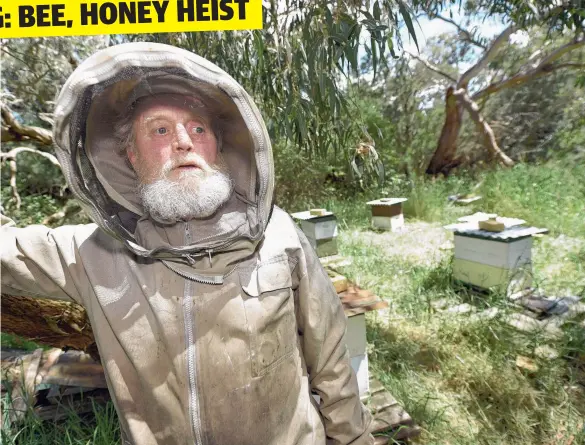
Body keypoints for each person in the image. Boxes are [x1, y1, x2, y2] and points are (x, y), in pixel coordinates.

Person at [1, 42, 374, 445]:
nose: (184, 141)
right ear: (128, 155)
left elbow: (333, 363)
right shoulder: (91, 253)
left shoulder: (281, 235)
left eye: (199, 128)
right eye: (160, 129)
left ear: (219, 148)